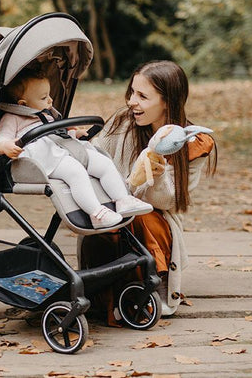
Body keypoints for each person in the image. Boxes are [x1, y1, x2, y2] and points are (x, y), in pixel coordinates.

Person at [81, 60, 216, 320]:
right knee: (111, 222)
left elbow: (169, 202)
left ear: (167, 101)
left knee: (142, 216)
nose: (132, 101)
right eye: (132, 92)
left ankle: (150, 284)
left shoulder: (191, 144)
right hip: (112, 210)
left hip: (155, 217)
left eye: (142, 96)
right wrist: (79, 141)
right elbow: (94, 158)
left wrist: (155, 172)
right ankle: (106, 294)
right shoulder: (122, 124)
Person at [0, 69, 151, 229]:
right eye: (43, 97)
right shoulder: (13, 118)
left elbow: (58, 134)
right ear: (23, 104)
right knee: (76, 173)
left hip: (67, 149)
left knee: (104, 164)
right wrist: (5, 145)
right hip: (46, 157)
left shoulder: (49, 115)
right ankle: (96, 213)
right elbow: (2, 137)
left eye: (49, 95)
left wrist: (75, 133)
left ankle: (122, 200)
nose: (50, 100)